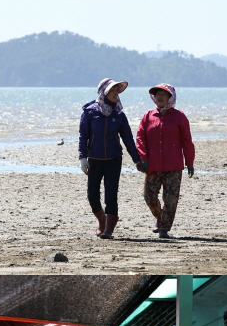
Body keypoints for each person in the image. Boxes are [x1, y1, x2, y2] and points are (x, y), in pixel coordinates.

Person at [79, 78, 145, 239]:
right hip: (94, 159)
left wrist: (137, 160)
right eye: (113, 90)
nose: (116, 93)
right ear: (104, 92)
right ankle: (102, 220)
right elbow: (83, 136)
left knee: (111, 195)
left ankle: (109, 228)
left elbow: (128, 139)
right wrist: (83, 158)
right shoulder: (90, 112)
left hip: (114, 160)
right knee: (92, 195)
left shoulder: (120, 115)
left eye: (118, 90)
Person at [136, 83, 195, 239]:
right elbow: (140, 138)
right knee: (149, 196)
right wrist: (143, 158)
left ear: (171, 97)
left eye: (164, 94)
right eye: (157, 94)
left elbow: (187, 141)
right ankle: (160, 218)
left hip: (173, 166)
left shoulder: (179, 116)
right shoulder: (148, 116)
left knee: (170, 199)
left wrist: (190, 162)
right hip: (153, 165)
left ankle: (164, 229)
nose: (160, 97)